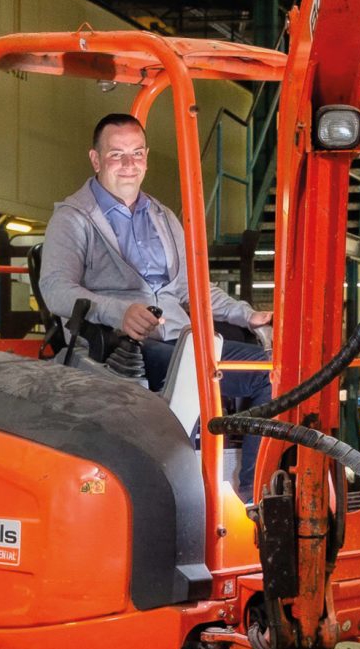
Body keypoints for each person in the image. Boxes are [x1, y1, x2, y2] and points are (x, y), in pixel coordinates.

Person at [38, 113, 273, 489]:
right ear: (96, 160)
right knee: (194, 375)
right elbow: (55, 288)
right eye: (116, 154)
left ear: (146, 157)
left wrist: (246, 315)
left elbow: (191, 288)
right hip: (120, 346)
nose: (128, 164)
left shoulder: (163, 217)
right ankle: (179, 488)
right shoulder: (73, 219)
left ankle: (252, 493)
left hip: (181, 340)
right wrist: (119, 313)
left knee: (270, 372)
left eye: (136, 153)